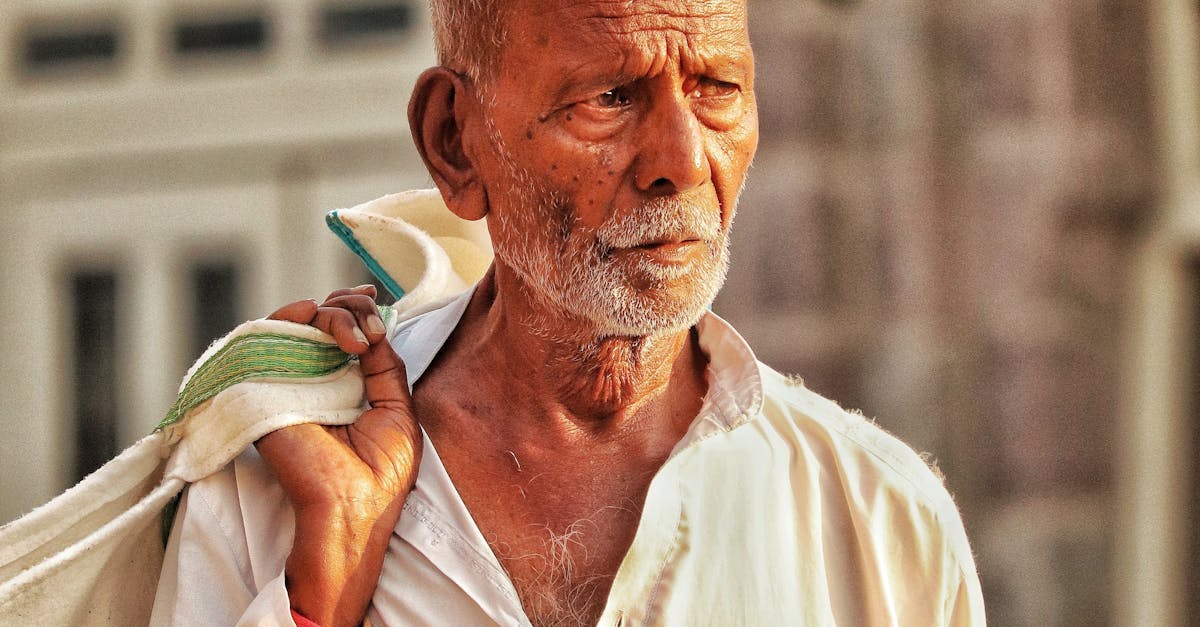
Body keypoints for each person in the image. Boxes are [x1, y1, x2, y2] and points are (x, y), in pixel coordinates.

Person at [151, 0, 985, 625]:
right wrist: (318, 595)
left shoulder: (881, 521)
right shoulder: (282, 484)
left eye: (717, 88)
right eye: (609, 97)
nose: (682, 159)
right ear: (454, 142)